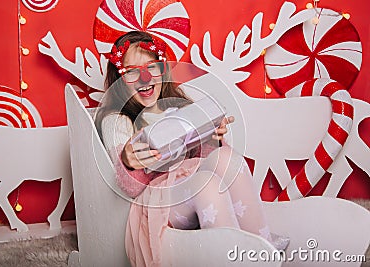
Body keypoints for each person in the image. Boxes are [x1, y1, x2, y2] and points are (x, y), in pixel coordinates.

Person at [95, 31, 288, 265]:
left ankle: (261, 245)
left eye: (151, 67)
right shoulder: (117, 120)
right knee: (206, 186)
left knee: (226, 156)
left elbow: (204, 159)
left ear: (162, 69)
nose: (144, 78)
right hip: (158, 204)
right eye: (132, 72)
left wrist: (211, 136)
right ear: (119, 78)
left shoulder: (180, 105)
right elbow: (129, 188)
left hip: (192, 182)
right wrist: (128, 162)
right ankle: (231, 260)